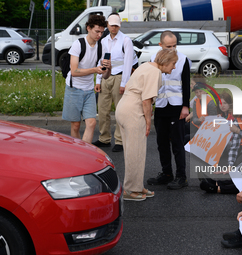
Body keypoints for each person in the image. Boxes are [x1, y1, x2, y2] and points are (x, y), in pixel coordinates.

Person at [116, 48, 178, 201]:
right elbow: (146, 101)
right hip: (133, 111)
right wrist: (148, 122)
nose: (174, 67)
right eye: (173, 63)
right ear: (165, 62)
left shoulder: (146, 66)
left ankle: (136, 186)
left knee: (132, 151)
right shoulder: (155, 72)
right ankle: (130, 190)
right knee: (135, 152)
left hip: (123, 107)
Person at [147, 30, 191, 190]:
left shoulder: (183, 59)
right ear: (160, 45)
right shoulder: (153, 59)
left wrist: (185, 106)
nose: (172, 49)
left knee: (177, 144)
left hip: (176, 106)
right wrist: (150, 105)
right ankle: (166, 174)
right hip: (160, 106)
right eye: (168, 46)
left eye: (174, 46)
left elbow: (186, 83)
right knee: (161, 143)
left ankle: (181, 177)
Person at [93, 13, 139, 152]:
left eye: (116, 25)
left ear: (119, 25)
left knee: (120, 111)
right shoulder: (103, 40)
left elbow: (128, 64)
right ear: (107, 25)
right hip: (106, 76)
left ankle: (119, 140)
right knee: (102, 110)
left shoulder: (126, 40)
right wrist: (98, 80)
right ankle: (104, 138)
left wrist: (124, 83)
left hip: (119, 76)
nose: (114, 28)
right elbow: (100, 60)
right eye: (111, 25)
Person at [62, 15, 108, 144]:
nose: (99, 35)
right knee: (76, 125)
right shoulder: (78, 44)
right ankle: (76, 153)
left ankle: (85, 152)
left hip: (88, 90)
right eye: (97, 31)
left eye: (102, 32)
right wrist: (95, 70)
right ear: (88, 28)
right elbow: (74, 71)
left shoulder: (101, 47)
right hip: (74, 88)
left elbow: (105, 76)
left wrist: (107, 69)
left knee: (92, 123)